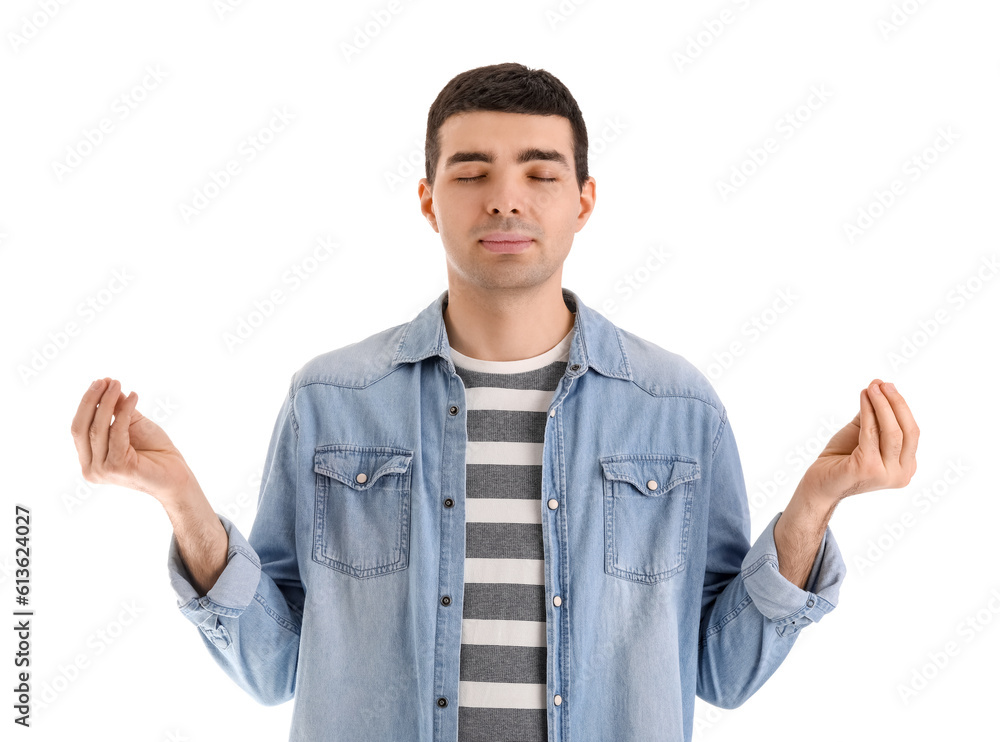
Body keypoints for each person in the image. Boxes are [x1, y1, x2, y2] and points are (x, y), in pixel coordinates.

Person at [70, 62, 919, 742]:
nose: (506, 197)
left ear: (583, 201)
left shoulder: (676, 408)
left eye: (539, 173)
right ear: (428, 199)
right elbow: (272, 666)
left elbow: (724, 672)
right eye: (471, 172)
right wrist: (184, 507)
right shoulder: (332, 402)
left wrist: (813, 509)